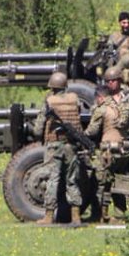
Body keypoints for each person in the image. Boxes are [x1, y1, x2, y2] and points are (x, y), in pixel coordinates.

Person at [30, 71, 85, 226]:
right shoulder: (75, 99)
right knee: (72, 180)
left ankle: (48, 216)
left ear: (52, 87)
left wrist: (36, 133)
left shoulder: (50, 101)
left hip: (55, 145)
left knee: (52, 179)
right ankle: (76, 217)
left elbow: (39, 129)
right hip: (72, 145)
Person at [85, 66, 129, 223]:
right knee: (109, 180)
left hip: (123, 144)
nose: (110, 84)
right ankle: (109, 213)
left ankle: (124, 212)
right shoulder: (103, 104)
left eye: (113, 80)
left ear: (120, 81)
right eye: (108, 81)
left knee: (119, 180)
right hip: (110, 144)